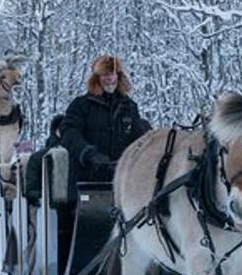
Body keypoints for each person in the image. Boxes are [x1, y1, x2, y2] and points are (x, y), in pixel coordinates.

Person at [59, 54, 151, 183]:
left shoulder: (129, 107)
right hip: (86, 177)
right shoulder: (81, 105)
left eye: (112, 74)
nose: (109, 78)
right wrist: (88, 153)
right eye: (104, 74)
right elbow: (69, 134)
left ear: (118, 76)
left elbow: (137, 137)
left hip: (121, 178)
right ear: (97, 78)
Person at [24, 115, 70, 206]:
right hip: (50, 208)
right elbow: (30, 191)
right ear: (57, 131)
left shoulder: (81, 157)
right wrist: (47, 195)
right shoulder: (39, 158)